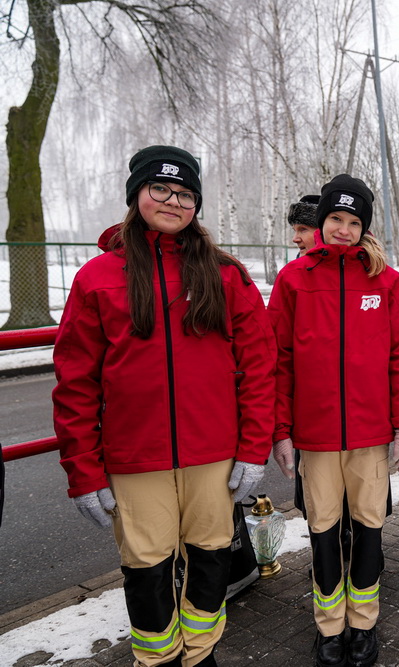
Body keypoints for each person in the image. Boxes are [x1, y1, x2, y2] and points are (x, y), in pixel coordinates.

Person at [52, 145, 275, 667]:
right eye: (161, 190)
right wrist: (83, 471)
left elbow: (260, 366)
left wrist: (253, 447)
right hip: (136, 459)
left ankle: (201, 654)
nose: (173, 201)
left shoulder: (226, 275)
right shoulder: (97, 277)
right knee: (146, 570)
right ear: (137, 196)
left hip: (213, 454)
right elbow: (75, 384)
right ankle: (158, 660)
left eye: (186, 194)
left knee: (211, 558)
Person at [268, 174, 399, 667]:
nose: (342, 229)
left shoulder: (385, 281)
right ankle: (330, 626)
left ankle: (364, 622)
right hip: (314, 438)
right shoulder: (294, 280)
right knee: (324, 530)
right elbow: (280, 360)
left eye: (354, 222)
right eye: (335, 218)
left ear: (364, 229)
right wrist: (282, 431)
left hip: (371, 436)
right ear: (321, 221)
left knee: (370, 528)